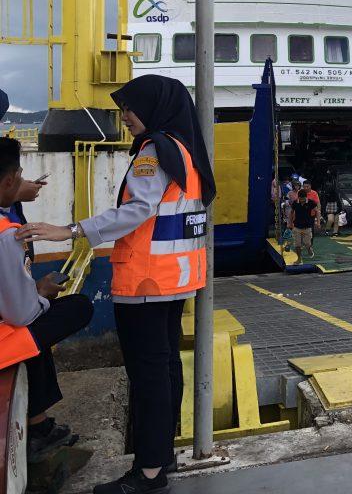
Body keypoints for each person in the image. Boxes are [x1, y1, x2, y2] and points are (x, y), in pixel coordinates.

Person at [17, 75, 216, 494]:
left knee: (149, 376)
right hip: (176, 280)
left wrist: (71, 230)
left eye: (129, 107)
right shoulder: (185, 150)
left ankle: (149, 473)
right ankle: (161, 456)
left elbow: (138, 209)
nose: (124, 116)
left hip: (146, 281)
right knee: (165, 370)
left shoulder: (153, 150)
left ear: (154, 107)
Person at [0, 139, 93, 463]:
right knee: (72, 310)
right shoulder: (6, 234)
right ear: (9, 181)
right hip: (4, 338)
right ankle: (38, 429)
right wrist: (40, 293)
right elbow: (21, 313)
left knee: (37, 329)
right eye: (19, 176)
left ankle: (39, 424)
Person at [288, 189, 317, 263]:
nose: (302, 201)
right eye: (300, 199)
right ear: (298, 197)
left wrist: (318, 222)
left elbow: (317, 211)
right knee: (297, 245)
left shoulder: (311, 202)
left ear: (306, 197)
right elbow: (291, 212)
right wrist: (290, 223)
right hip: (297, 226)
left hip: (307, 227)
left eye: (303, 199)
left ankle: (309, 249)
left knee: (307, 244)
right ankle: (299, 259)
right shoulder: (295, 202)